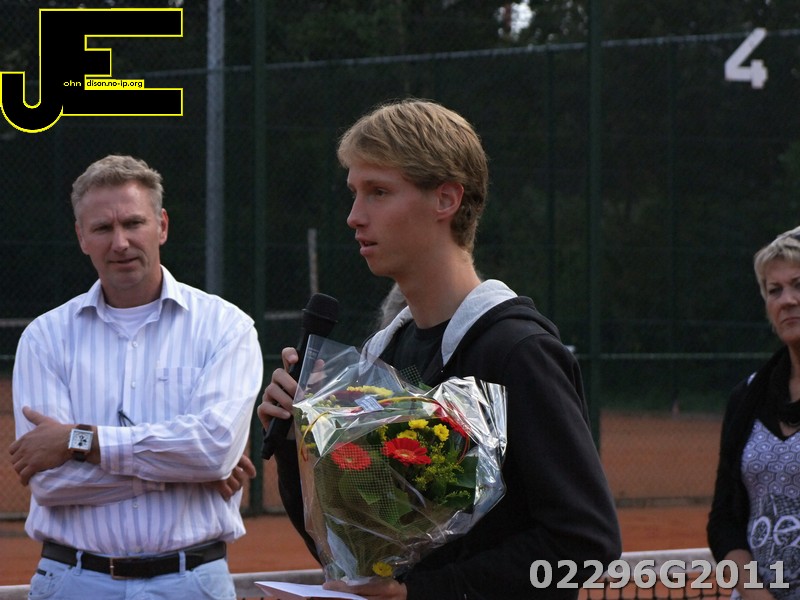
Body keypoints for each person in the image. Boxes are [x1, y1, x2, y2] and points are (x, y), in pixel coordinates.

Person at [258, 98, 621, 600]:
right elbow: (351, 548)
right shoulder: (382, 353)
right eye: (354, 193)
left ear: (445, 199)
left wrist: (421, 593)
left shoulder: (518, 352)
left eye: (378, 192)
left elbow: (586, 544)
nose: (354, 217)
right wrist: (294, 441)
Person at [8, 154, 263, 600]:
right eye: (102, 228)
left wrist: (79, 442)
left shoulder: (227, 327)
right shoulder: (44, 338)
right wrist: (187, 472)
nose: (121, 242)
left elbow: (213, 452)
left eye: (133, 223)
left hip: (192, 583)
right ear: (81, 237)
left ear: (161, 226)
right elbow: (51, 483)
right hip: (73, 582)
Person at [708, 226, 800, 600]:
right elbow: (724, 520)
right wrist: (756, 594)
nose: (787, 300)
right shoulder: (747, 397)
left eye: (799, 285)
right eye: (774, 290)